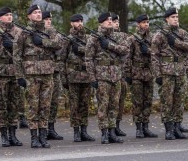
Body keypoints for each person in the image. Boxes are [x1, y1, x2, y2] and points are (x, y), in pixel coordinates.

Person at [13, 4, 62, 148]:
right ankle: (34, 137)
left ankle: (43, 135)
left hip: (48, 72)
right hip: (31, 74)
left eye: (39, 12)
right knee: (33, 106)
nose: (38, 14)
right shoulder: (23, 33)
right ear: (29, 16)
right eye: (35, 12)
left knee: (45, 105)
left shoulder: (50, 30)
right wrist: (19, 76)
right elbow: (16, 56)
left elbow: (59, 45)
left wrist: (43, 42)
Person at [86, 12, 130, 144]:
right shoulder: (94, 38)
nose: (110, 22)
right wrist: (92, 78)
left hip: (116, 75)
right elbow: (88, 59)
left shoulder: (117, 36)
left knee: (114, 105)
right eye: (107, 20)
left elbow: (125, 50)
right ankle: (104, 132)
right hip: (102, 76)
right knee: (103, 106)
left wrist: (110, 45)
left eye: (111, 20)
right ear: (101, 23)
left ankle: (112, 131)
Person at [151, 7, 188, 140]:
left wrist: (175, 42)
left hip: (180, 71)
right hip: (166, 72)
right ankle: (169, 129)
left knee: (179, 100)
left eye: (177, 17)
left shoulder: (182, 33)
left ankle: (177, 127)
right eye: (173, 17)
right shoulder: (159, 35)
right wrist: (157, 74)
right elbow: (154, 56)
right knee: (167, 101)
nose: (176, 19)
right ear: (167, 19)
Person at [0, 7, 23, 146]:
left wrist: (13, 46)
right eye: (6, 15)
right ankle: (4, 135)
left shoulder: (19, 32)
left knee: (14, 105)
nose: (9, 17)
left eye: (10, 14)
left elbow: (25, 51)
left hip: (15, 72)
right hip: (0, 72)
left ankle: (13, 135)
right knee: (2, 105)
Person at [62, 14, 95, 142]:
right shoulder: (68, 40)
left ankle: (84, 131)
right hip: (73, 76)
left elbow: (93, 54)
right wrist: (64, 78)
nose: (79, 23)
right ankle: (76, 131)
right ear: (72, 24)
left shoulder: (88, 39)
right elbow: (62, 59)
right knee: (74, 105)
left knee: (85, 104)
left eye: (81, 21)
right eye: (76, 21)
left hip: (86, 76)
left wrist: (82, 48)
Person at [126, 14, 158, 138]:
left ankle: (146, 126)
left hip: (148, 73)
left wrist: (148, 51)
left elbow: (157, 53)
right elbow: (127, 58)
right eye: (144, 22)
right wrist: (128, 74)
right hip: (137, 73)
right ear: (138, 24)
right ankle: (139, 128)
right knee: (138, 101)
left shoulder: (152, 38)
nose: (146, 24)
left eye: (147, 22)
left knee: (148, 101)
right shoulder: (132, 39)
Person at [42, 11, 65, 141]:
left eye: (50, 19)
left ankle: (51, 128)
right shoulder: (37, 34)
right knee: (44, 102)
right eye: (46, 19)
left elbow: (59, 48)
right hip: (43, 71)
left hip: (55, 71)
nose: (48, 21)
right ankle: (43, 128)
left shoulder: (55, 34)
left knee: (54, 101)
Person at [111, 13, 129, 137]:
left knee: (121, 101)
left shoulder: (124, 36)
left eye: (118, 21)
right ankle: (110, 126)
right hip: (110, 74)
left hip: (121, 73)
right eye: (114, 21)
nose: (117, 23)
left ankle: (117, 124)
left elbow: (127, 52)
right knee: (112, 102)